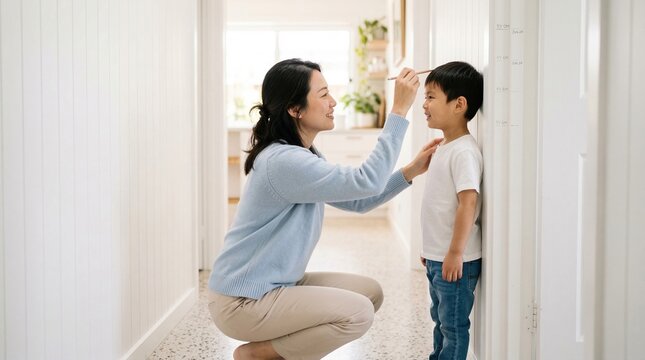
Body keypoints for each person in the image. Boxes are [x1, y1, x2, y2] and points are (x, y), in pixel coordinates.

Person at [208, 58, 441, 360]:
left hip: (276, 284)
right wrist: (398, 112)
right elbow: (366, 181)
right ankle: (259, 355)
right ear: (295, 109)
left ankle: (277, 347)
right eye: (323, 94)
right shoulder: (283, 161)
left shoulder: (303, 154)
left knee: (369, 293)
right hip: (242, 300)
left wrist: (409, 171)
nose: (333, 102)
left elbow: (358, 199)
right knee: (357, 313)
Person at [419, 61, 484, 360]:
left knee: (453, 327)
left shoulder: (464, 151)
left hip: (456, 261)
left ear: (459, 104)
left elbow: (467, 203)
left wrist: (455, 252)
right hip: (439, 257)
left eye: (431, 96)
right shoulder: (444, 146)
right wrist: (432, 249)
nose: (424, 104)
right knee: (440, 321)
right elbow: (438, 206)